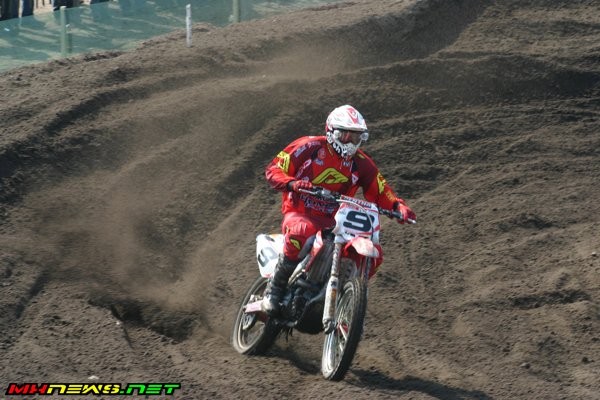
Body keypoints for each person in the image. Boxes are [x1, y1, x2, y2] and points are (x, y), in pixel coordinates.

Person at [261, 104, 416, 315]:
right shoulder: (310, 146)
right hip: (300, 210)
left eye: (356, 137)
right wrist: (292, 183)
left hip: (335, 220)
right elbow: (275, 169)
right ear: (331, 131)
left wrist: (398, 205)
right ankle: (274, 289)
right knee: (301, 231)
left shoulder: (361, 163)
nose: (350, 142)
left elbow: (381, 189)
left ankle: (344, 295)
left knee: (373, 255)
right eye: (346, 135)